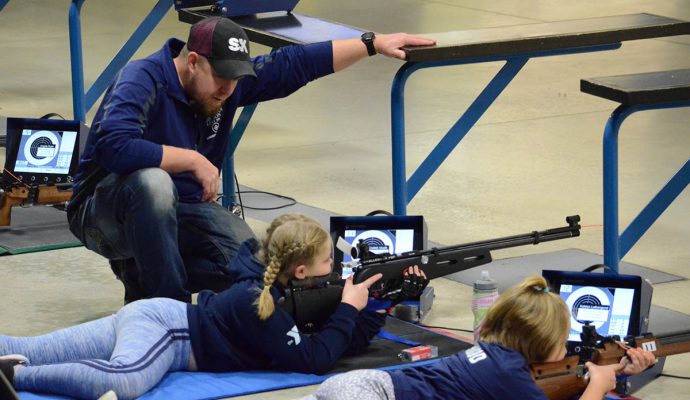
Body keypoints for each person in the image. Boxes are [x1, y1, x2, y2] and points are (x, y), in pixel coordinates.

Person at [65, 16, 436, 303]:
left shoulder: (227, 87)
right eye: (221, 78)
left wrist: (372, 44)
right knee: (153, 183)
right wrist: (190, 160)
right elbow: (114, 145)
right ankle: (170, 313)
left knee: (257, 270)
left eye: (236, 80)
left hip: (179, 211)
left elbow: (296, 63)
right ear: (192, 62)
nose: (228, 91)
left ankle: (142, 279)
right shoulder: (143, 77)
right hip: (103, 213)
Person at [0, 214, 427, 399]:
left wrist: (376, 306)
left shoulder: (268, 287)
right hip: (168, 334)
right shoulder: (254, 301)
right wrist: (350, 308)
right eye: (327, 262)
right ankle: (15, 376)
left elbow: (336, 342)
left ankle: (13, 361)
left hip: (158, 318)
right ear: (300, 272)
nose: (334, 268)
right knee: (125, 382)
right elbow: (315, 359)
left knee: (29, 342)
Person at [303, 275, 657, 400]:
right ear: (541, 344)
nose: (566, 350)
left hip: (358, 386)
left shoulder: (494, 355)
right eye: (562, 342)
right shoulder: (508, 376)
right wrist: (598, 386)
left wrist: (616, 371)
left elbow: (545, 385)